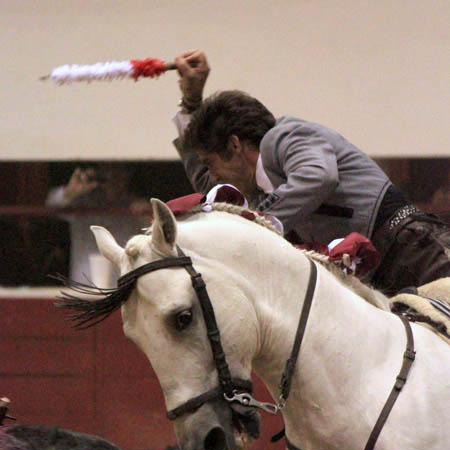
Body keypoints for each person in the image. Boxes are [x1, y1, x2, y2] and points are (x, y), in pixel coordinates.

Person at [171, 50, 450, 296]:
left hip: (413, 248)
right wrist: (191, 105)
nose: (213, 178)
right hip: (384, 265)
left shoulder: (283, 136)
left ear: (234, 145)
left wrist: (258, 223)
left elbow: (319, 177)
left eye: (210, 164)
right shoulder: (256, 181)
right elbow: (214, 192)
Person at [46, 164, 149, 285]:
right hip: (84, 285)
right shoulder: (81, 202)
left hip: (123, 288)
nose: (113, 177)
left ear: (128, 174)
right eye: (107, 172)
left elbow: (154, 240)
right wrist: (69, 192)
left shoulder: (136, 207)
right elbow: (51, 205)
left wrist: (148, 215)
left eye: (118, 171)